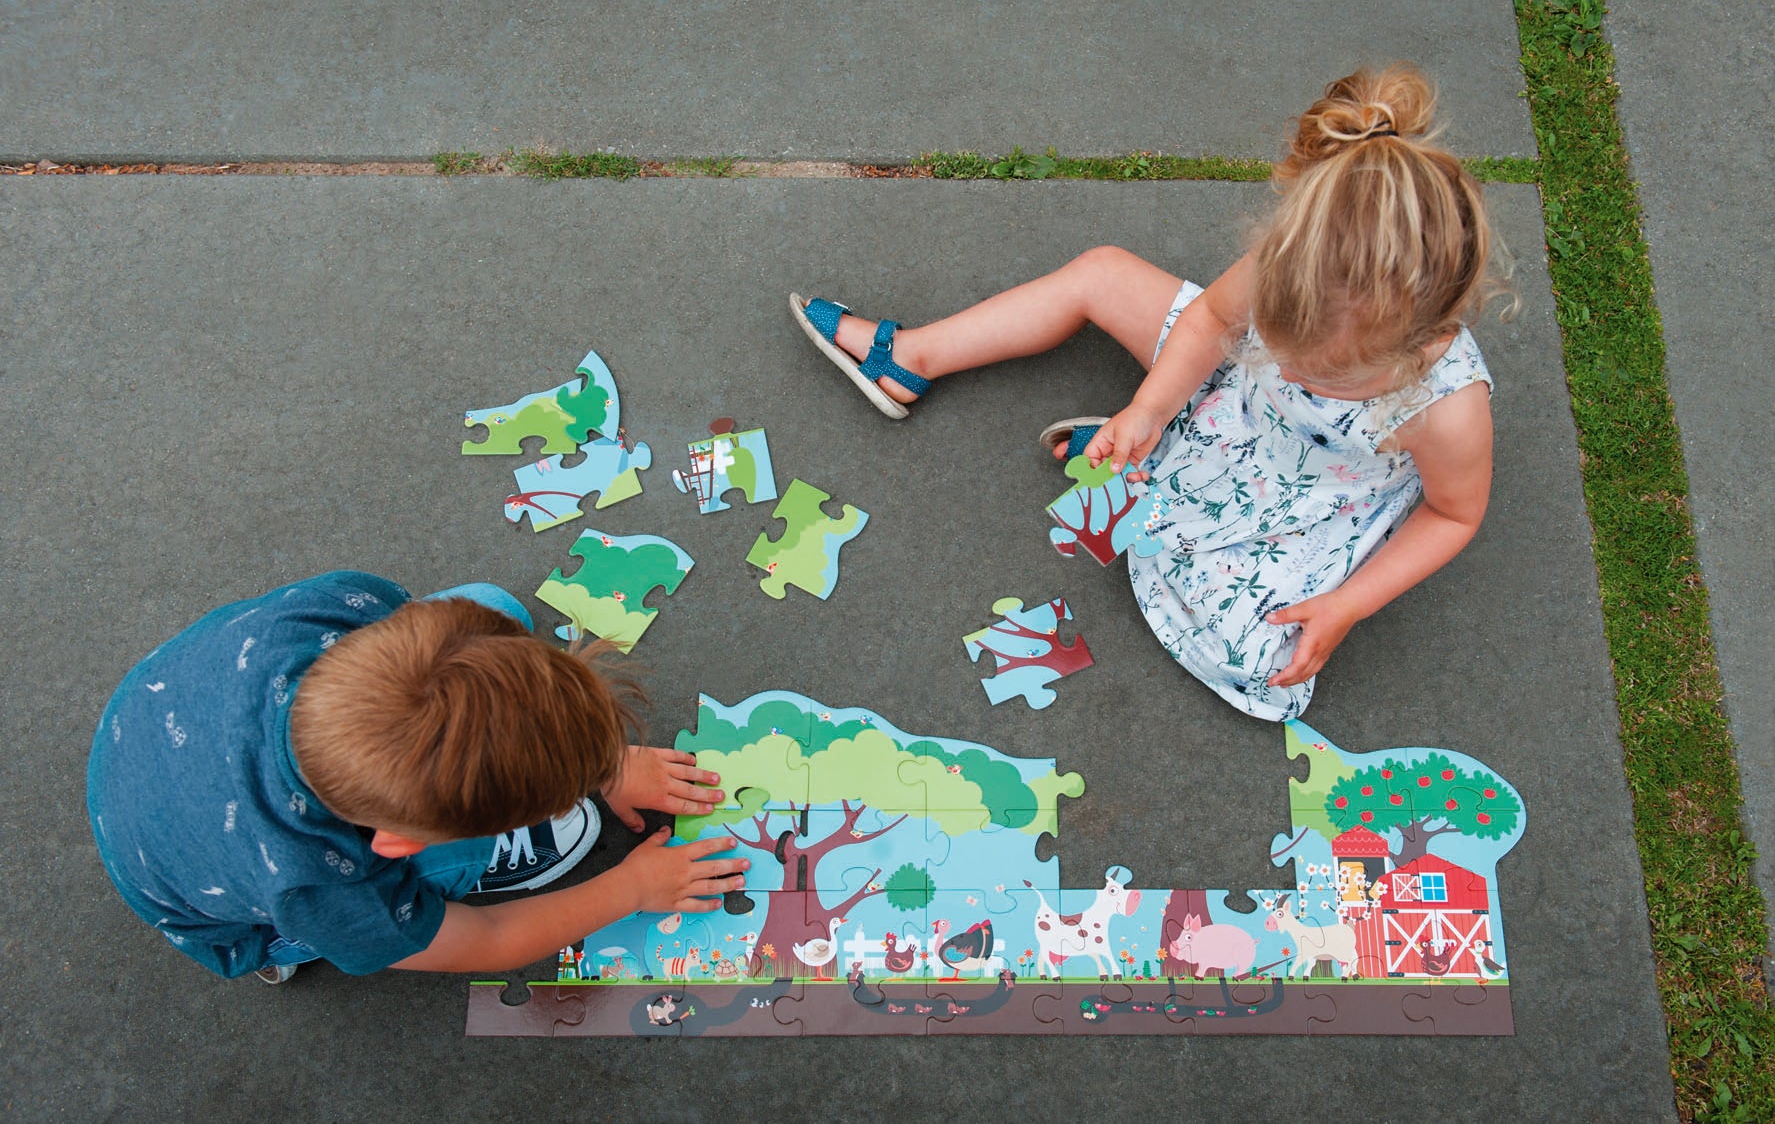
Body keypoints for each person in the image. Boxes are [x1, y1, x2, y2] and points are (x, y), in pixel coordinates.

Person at [791, 65, 1509, 719]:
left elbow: (1452, 515)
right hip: (1230, 397)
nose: (1288, 373)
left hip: (1312, 489)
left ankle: (1150, 465)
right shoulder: (1296, 263)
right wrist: (1149, 407)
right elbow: (1212, 322)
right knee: (1102, 273)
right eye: (1281, 344)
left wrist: (1349, 604)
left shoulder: (1447, 408)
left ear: (1417, 339)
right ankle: (911, 356)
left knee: (1262, 659)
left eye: (1320, 374)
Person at [87, 572, 746, 983]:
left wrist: (598, 763)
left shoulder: (334, 607)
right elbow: (489, 940)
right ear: (398, 842)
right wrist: (631, 887)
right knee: (426, 891)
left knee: (489, 607)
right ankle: (294, 949)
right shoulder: (324, 884)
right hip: (221, 900)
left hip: (169, 718)